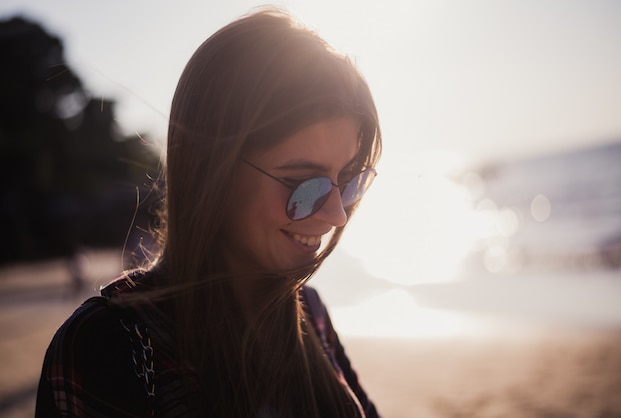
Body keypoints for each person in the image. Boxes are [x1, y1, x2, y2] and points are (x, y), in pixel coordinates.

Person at [36, 8, 382, 418]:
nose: (336, 214)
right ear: (212, 170)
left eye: (350, 180)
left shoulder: (310, 312)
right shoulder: (109, 343)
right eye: (304, 184)